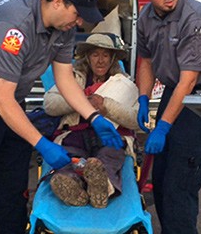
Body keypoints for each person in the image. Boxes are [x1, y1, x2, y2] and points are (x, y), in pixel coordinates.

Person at [0, 0, 123, 233]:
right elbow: (1, 100)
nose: (78, 23)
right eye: (77, 14)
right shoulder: (12, 25)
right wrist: (42, 144)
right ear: (58, 1)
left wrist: (94, 117)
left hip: (10, 102)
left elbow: (64, 79)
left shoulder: (61, 27)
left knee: (15, 189)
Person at [135, 0, 201, 233]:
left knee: (181, 182)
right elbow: (147, 60)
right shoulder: (147, 17)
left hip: (200, 98)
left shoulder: (195, 19)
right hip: (173, 92)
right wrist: (142, 98)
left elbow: (189, 82)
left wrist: (162, 127)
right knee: (160, 179)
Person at [43, 32, 140, 208]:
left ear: (112, 59)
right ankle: (74, 186)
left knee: (107, 159)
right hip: (76, 133)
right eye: (95, 55)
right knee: (70, 158)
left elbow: (136, 120)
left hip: (110, 136)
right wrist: (80, 99)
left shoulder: (124, 83)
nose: (100, 60)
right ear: (87, 57)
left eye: (105, 55)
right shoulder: (72, 78)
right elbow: (49, 105)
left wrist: (106, 106)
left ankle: (104, 186)